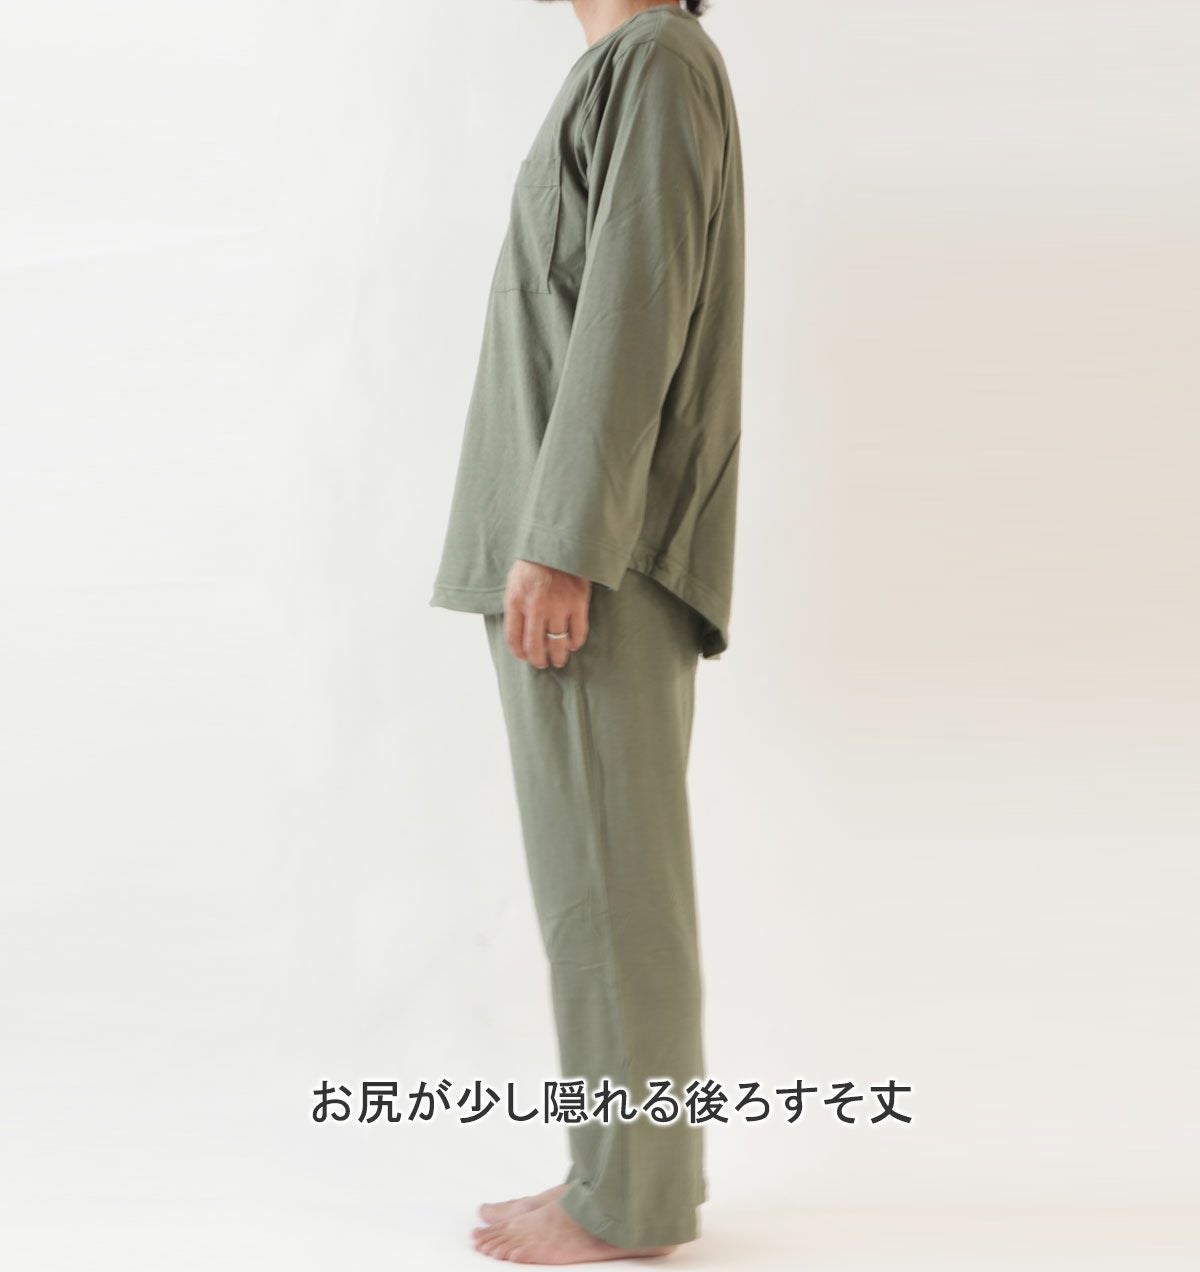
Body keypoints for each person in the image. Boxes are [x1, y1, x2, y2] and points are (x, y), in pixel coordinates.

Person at [429, 0, 744, 1261]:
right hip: (571, 553)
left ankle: (629, 1203)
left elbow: (633, 306)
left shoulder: (656, 56)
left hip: (590, 564)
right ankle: (619, 1174)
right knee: (595, 885)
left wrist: (565, 540)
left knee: (612, 890)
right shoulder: (626, 67)